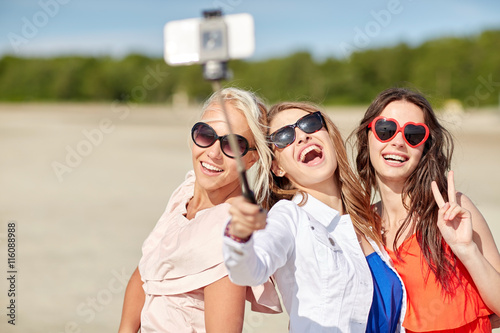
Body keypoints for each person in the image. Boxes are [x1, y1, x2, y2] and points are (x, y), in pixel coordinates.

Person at [223, 101, 406, 332]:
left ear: (329, 136)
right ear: (277, 167)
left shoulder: (367, 221)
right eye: (284, 137)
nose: (301, 137)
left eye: (310, 124)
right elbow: (250, 269)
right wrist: (239, 236)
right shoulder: (289, 217)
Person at [118, 87, 282, 333]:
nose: (213, 153)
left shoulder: (229, 233)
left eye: (233, 144)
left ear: (253, 157)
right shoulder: (185, 192)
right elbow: (147, 269)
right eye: (206, 135)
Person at [351, 87, 500, 332]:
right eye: (385, 130)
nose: (398, 141)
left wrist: (466, 250)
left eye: (413, 134)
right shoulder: (360, 225)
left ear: (425, 148)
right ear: (368, 136)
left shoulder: (453, 211)